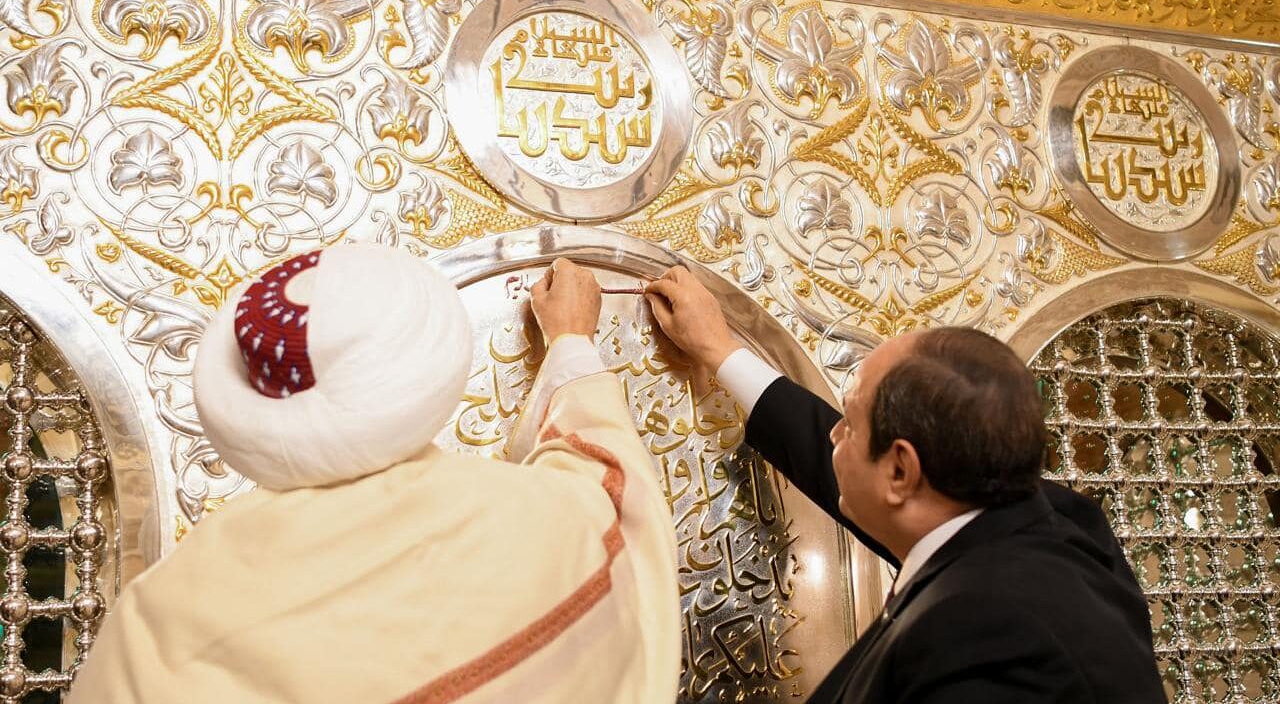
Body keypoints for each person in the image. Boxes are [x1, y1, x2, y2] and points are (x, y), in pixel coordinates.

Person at [68, 247, 679, 704]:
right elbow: (617, 493)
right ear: (430, 374)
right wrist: (571, 339)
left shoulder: (152, 630)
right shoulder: (552, 526)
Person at [642, 266, 1165, 703]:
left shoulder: (983, 634)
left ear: (900, 470)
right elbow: (854, 472)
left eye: (848, 423)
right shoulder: (1050, 526)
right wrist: (721, 351)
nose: (835, 437)